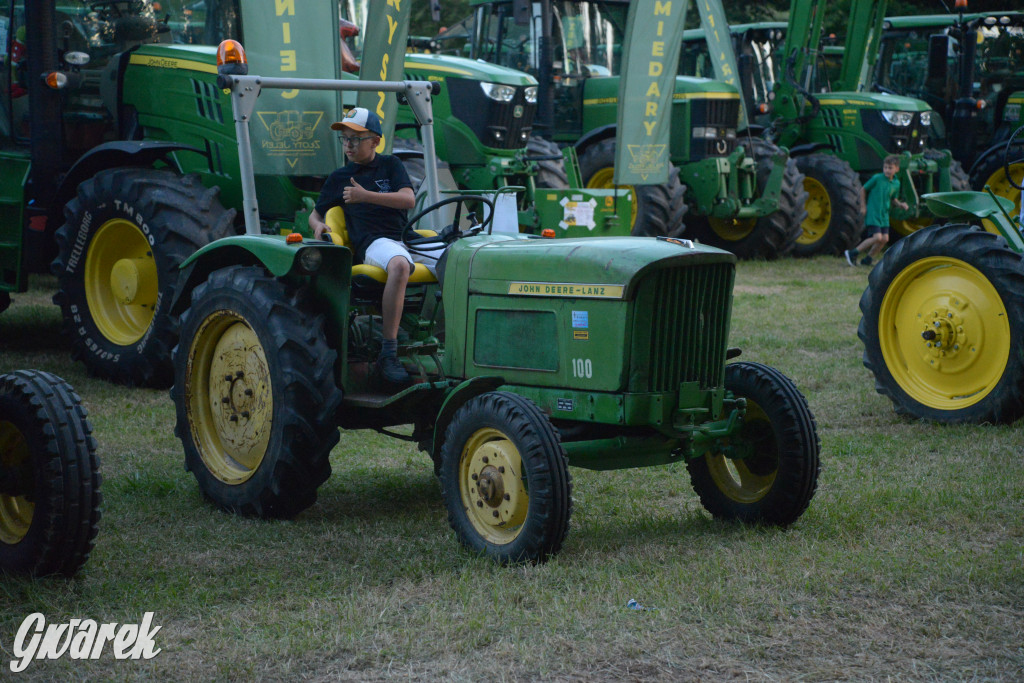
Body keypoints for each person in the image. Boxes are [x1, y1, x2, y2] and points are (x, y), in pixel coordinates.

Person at [309, 107, 438, 386]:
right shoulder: (339, 178)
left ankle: (449, 337)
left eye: (355, 139)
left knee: (461, 256)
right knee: (400, 265)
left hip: (407, 236)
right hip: (374, 242)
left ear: (375, 141)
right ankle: (388, 352)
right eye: (345, 139)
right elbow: (316, 215)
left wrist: (365, 195)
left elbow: (408, 200)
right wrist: (318, 227)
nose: (348, 145)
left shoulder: (391, 164)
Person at [844, 155, 909, 267]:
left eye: (890, 168)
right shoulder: (877, 178)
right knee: (877, 237)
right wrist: (863, 207)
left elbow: (893, 198)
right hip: (874, 212)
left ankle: (868, 260)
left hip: (884, 214)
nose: (887, 170)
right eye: (885, 167)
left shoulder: (896, 183)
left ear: (896, 169)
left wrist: (900, 204)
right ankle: (852, 253)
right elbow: (863, 190)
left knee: (884, 239)